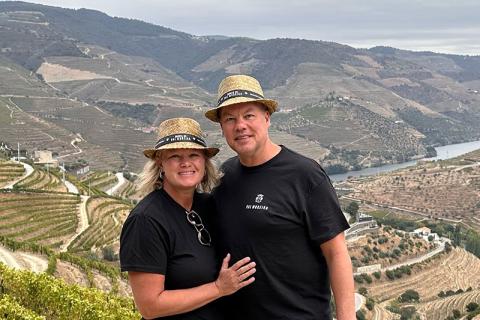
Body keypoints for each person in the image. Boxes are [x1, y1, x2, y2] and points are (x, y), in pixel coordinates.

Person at [205, 75, 355, 320]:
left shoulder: (305, 175)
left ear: (267, 117)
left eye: (248, 115)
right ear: (222, 128)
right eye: (230, 119)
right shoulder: (225, 176)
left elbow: (336, 253)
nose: (240, 125)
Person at [120, 118, 256, 320]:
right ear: (160, 163)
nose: (186, 163)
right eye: (175, 156)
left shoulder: (209, 206)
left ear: (204, 161)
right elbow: (149, 306)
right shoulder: (146, 220)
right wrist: (218, 288)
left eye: (194, 155)